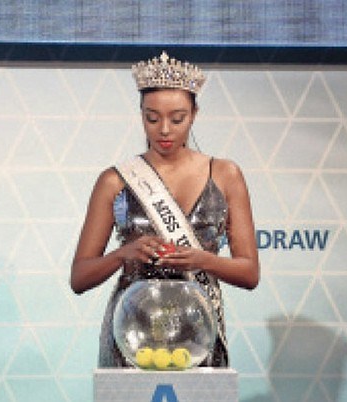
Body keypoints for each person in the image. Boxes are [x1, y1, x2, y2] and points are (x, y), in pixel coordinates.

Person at [70, 51, 260, 367]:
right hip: (132, 333)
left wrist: (203, 260)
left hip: (197, 334)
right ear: (141, 114)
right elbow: (79, 278)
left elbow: (249, 273)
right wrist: (123, 254)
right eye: (152, 118)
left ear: (194, 114)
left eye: (177, 118)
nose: (165, 131)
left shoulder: (226, 175)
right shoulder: (115, 181)